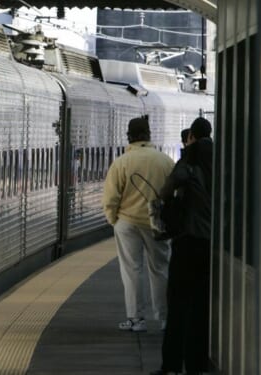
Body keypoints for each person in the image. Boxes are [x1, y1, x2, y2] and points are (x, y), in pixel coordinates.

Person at [151, 117, 213, 375]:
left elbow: (165, 192)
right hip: (212, 246)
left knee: (178, 305)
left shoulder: (188, 162)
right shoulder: (224, 159)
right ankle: (197, 364)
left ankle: (172, 366)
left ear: (191, 138)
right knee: (202, 306)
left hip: (188, 241)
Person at [102, 117, 175, 332]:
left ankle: (136, 319)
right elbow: (174, 193)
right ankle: (164, 319)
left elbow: (110, 198)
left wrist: (113, 219)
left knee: (132, 270)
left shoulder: (122, 162)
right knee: (160, 269)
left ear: (129, 136)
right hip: (157, 224)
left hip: (128, 222)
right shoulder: (165, 161)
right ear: (149, 134)